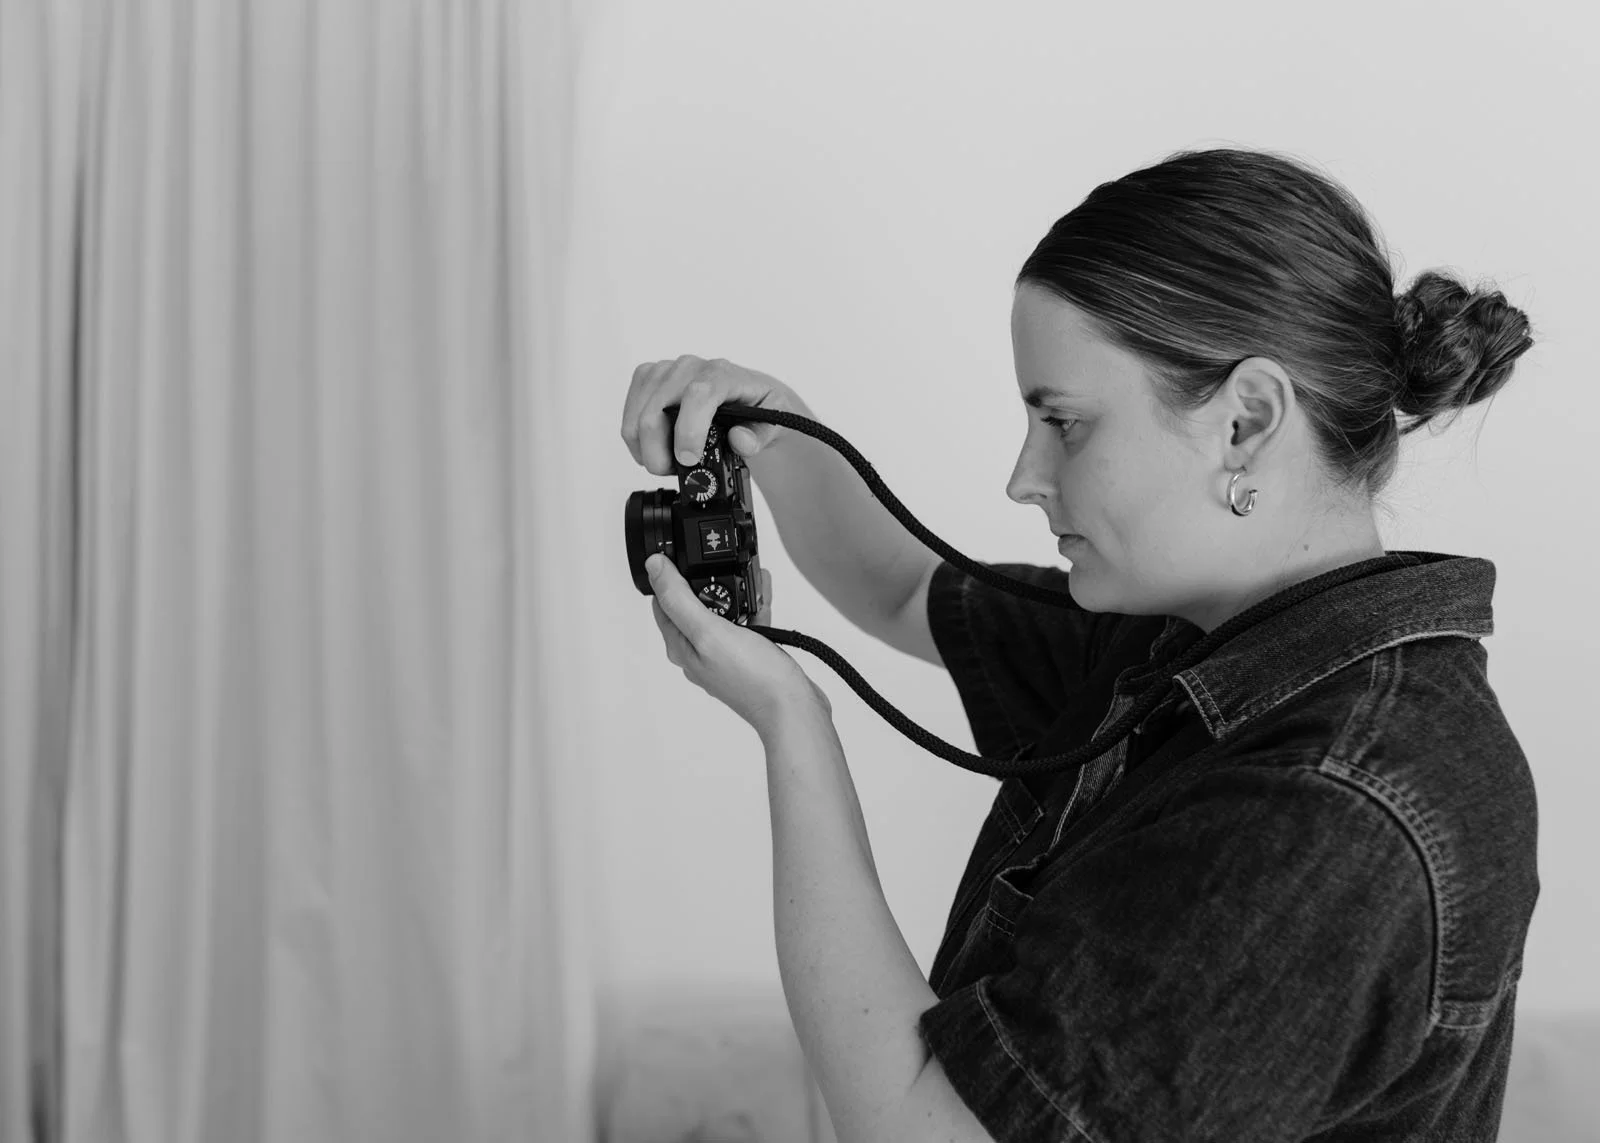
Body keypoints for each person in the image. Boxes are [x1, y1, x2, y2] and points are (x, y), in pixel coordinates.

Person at [622, 145, 1538, 1142]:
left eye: (1064, 424)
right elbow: (897, 589)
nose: (1023, 477)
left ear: (1245, 422)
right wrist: (777, 430)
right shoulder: (1195, 645)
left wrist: (792, 725)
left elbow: (923, 1131)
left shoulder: (1332, 809)